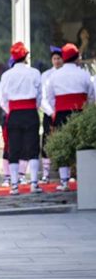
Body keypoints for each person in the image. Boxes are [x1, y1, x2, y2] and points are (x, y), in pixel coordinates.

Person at [47, 43, 96, 191]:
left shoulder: (54, 75)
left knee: (63, 145)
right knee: (82, 145)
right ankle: (84, 180)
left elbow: (50, 98)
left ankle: (64, 181)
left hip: (61, 113)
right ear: (76, 58)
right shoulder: (84, 74)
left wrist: (58, 108)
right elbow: (92, 96)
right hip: (80, 112)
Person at [0, 42, 42, 195]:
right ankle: (34, 183)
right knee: (33, 148)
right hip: (30, 111)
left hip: (14, 113)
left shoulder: (6, 75)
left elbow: (2, 99)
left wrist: (10, 110)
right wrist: (33, 107)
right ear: (26, 57)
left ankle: (14, 185)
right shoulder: (35, 73)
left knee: (14, 148)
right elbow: (39, 96)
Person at [40, 46, 64, 183]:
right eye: (54, 58)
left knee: (64, 140)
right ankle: (46, 173)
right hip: (49, 112)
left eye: (59, 58)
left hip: (63, 110)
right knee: (47, 142)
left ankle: (65, 173)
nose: (57, 61)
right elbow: (42, 97)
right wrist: (50, 111)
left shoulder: (66, 73)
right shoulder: (46, 75)